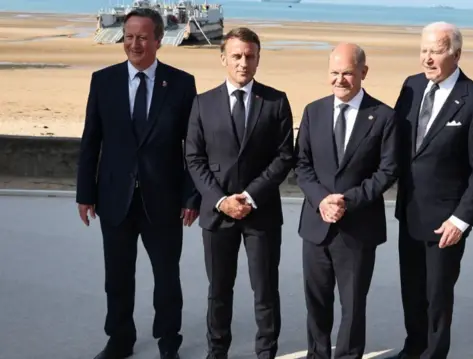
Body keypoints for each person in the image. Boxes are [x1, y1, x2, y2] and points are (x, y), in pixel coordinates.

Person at [76, 8, 201, 359]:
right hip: (114, 196)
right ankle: (119, 339)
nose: (134, 44)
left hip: (163, 198)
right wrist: (85, 193)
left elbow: (192, 147)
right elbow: (91, 141)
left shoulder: (181, 83)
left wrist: (191, 196)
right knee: (116, 277)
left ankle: (168, 341)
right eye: (129, 37)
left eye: (143, 37)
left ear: (159, 40)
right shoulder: (103, 81)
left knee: (166, 278)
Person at [184, 27, 295, 359]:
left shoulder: (276, 101)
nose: (243, 62)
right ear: (223, 59)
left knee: (265, 291)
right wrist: (221, 200)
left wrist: (248, 197)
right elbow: (193, 156)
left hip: (261, 213)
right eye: (236, 56)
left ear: (258, 58)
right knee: (218, 291)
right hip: (217, 214)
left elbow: (284, 156)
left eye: (249, 56)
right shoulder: (202, 103)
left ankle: (266, 353)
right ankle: (217, 352)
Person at [391, 21, 473, 359]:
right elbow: (393, 142)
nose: (426, 59)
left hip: (446, 223)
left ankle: (433, 354)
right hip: (409, 213)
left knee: (437, 295)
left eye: (435, 51)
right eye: (423, 50)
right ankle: (413, 349)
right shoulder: (410, 87)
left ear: (456, 54)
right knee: (412, 290)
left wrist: (461, 220)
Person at [295, 42, 398, 359]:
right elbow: (302, 165)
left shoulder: (383, 117)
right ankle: (318, 355)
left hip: (358, 228)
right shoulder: (314, 111)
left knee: (353, 305)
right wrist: (321, 200)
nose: (340, 80)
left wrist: (346, 201)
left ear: (363, 73)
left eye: (348, 74)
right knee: (317, 301)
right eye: (335, 73)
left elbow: (388, 170)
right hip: (316, 224)